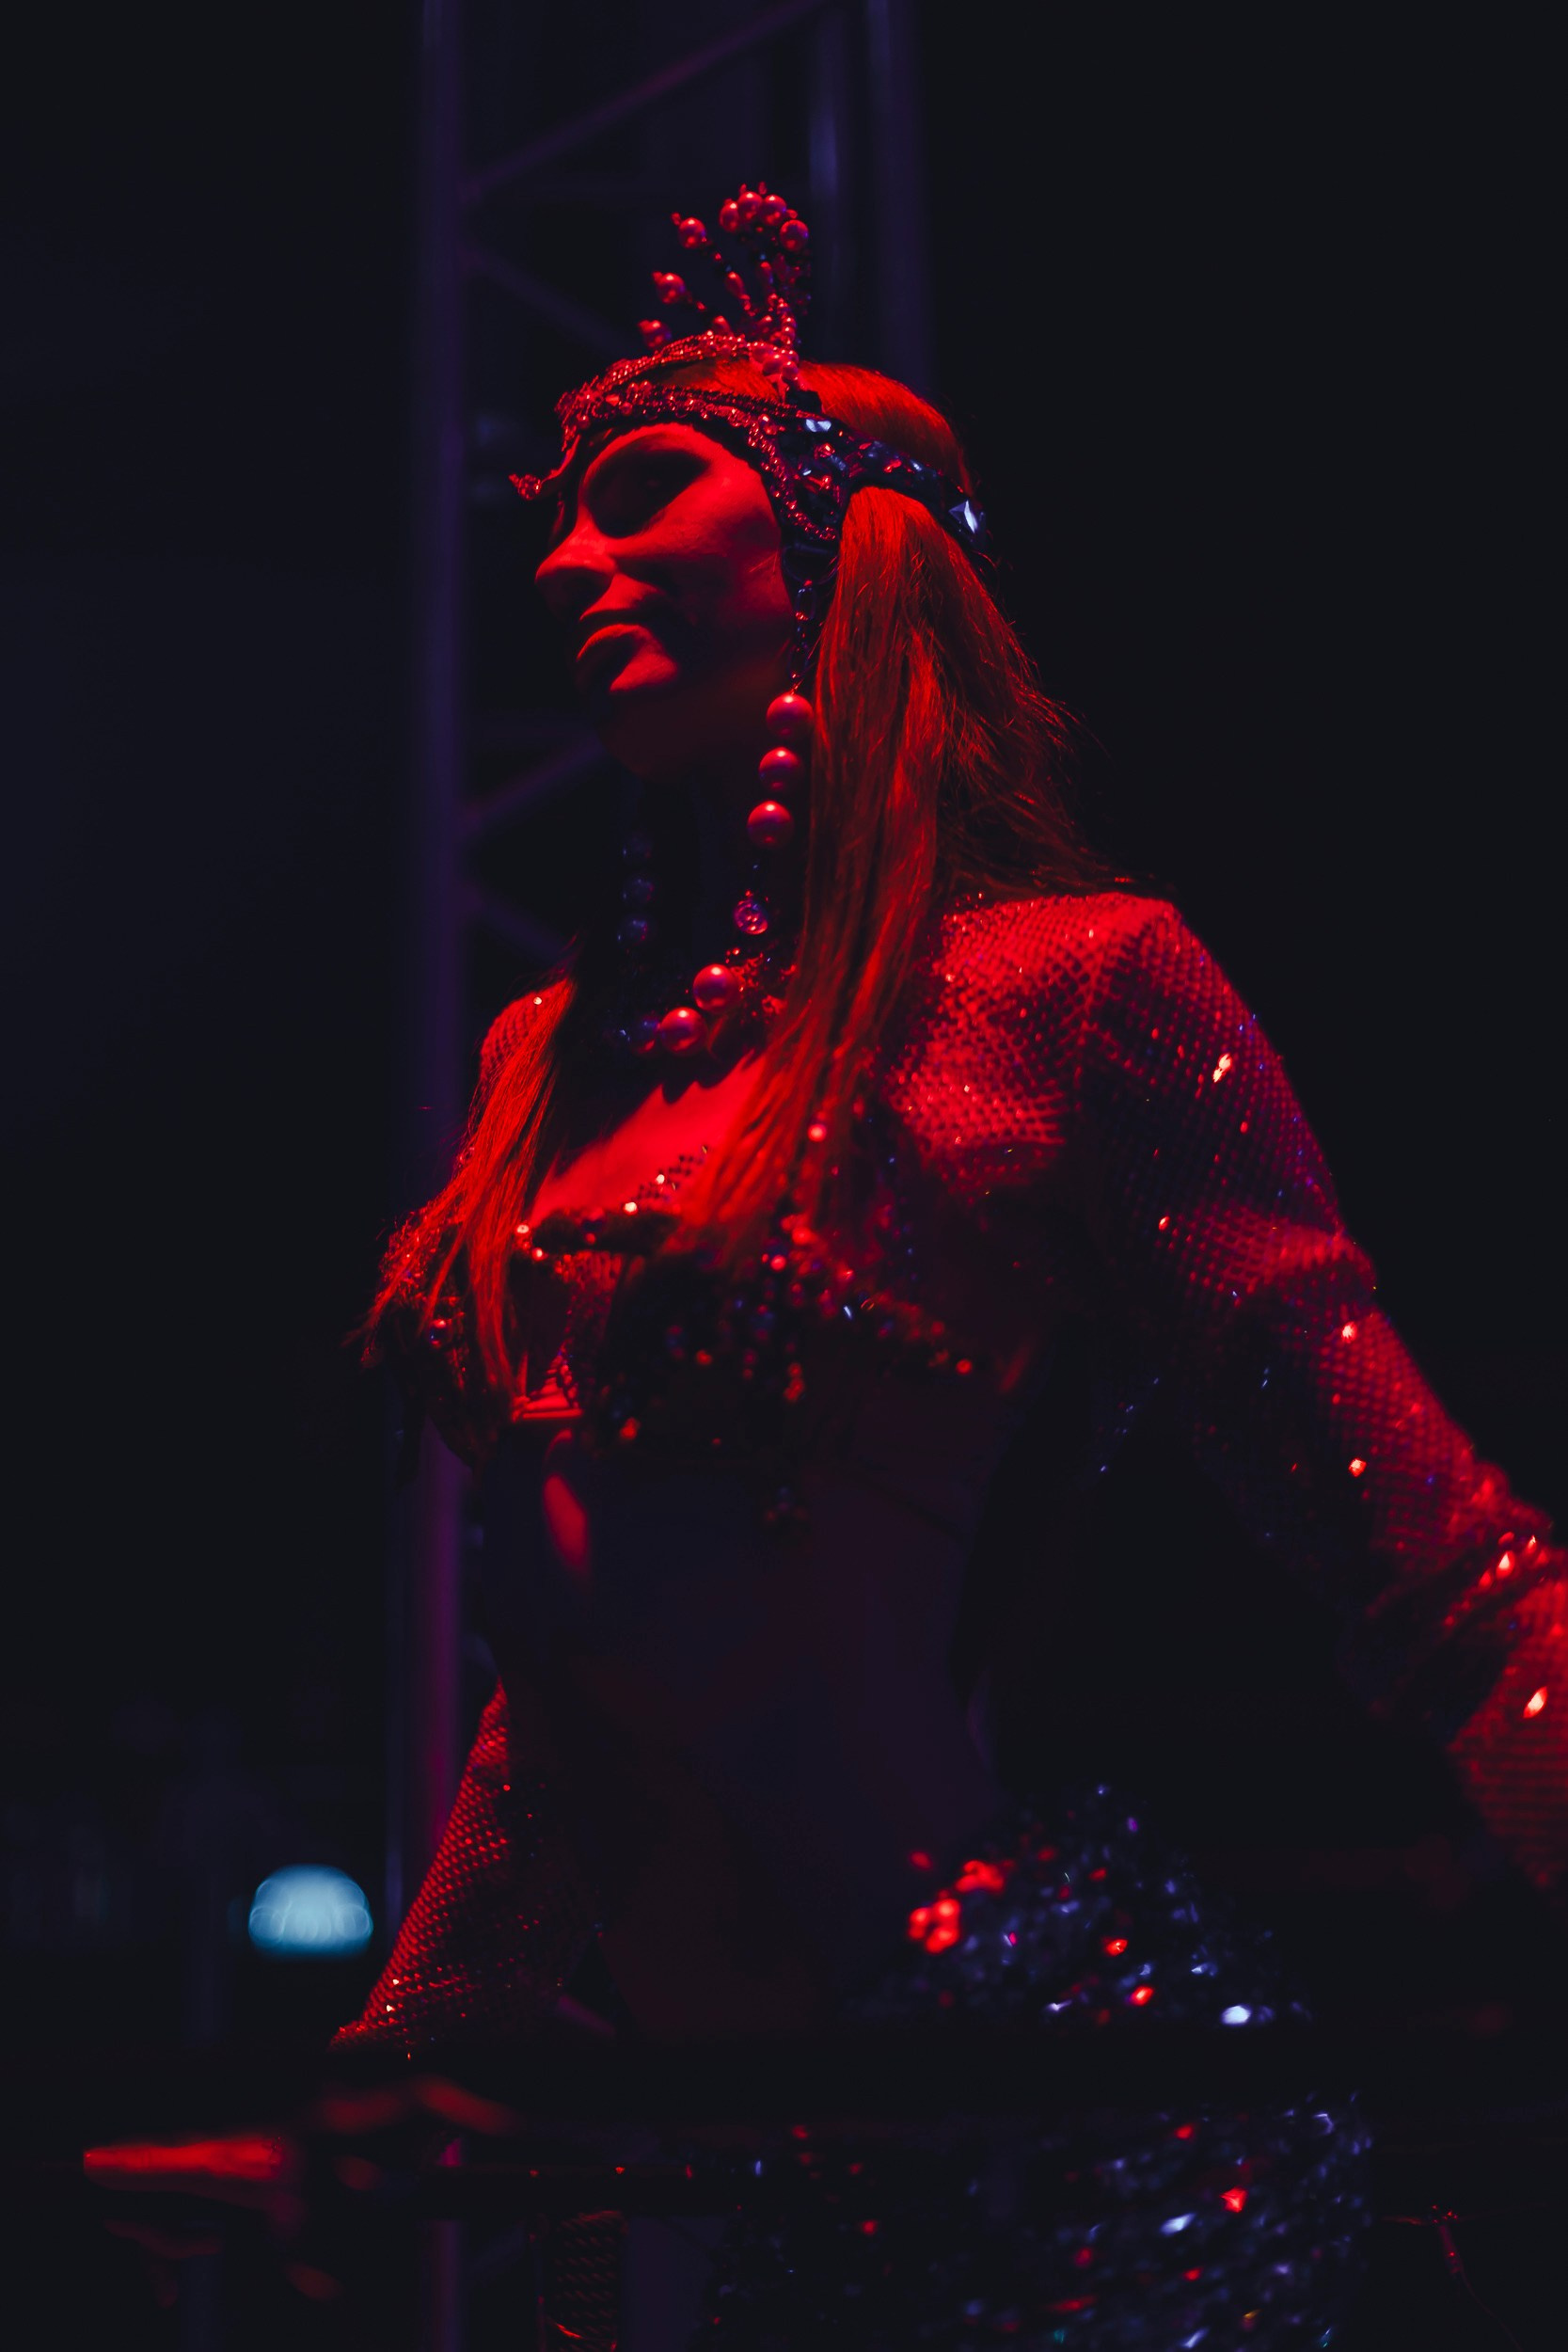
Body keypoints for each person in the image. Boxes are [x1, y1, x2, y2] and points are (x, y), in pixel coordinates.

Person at [128, 187, 1568, 2345]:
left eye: (639, 495)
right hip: (780, 2162)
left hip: (1062, 2110)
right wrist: (400, 2067)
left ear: (834, 547)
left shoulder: (1076, 998)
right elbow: (580, 1669)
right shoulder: (553, 1066)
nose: (562, 561)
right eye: (554, 520)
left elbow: (1440, 1568)